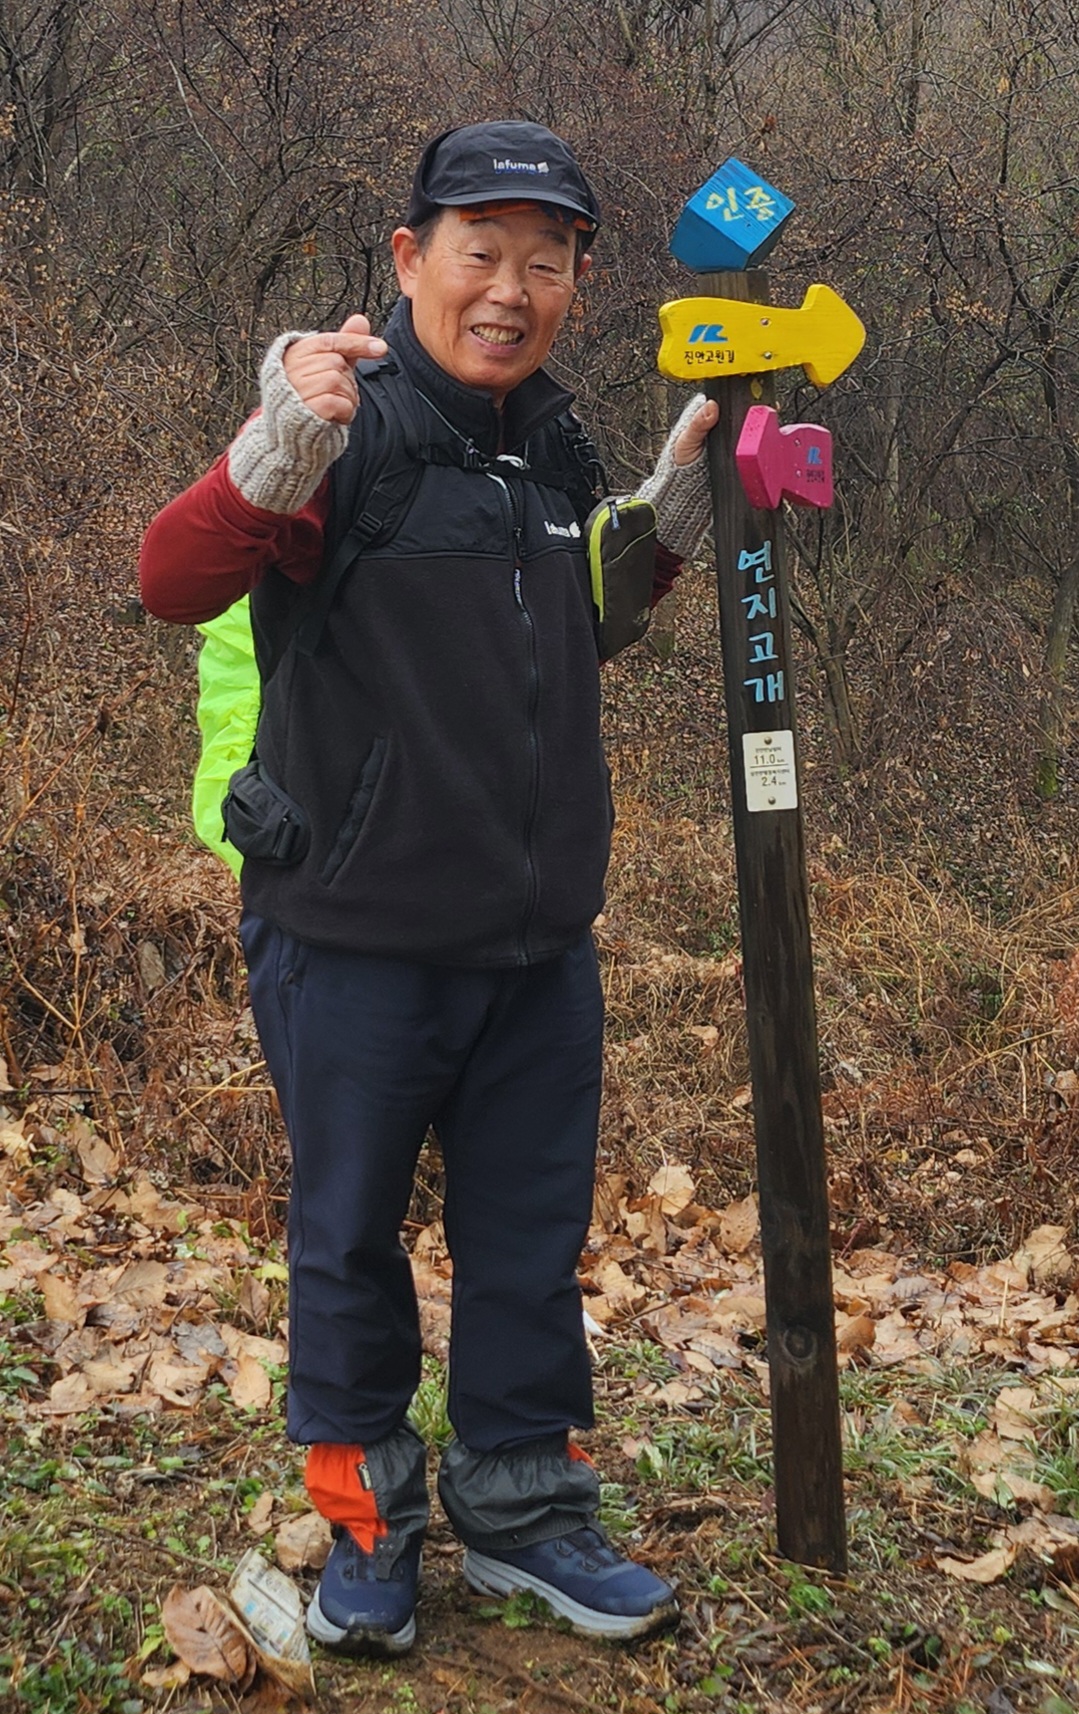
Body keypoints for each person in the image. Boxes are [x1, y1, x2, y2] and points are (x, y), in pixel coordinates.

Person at [140, 120, 717, 1656]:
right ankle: (366, 1525)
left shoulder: (554, 449)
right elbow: (171, 577)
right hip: (354, 935)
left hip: (537, 945)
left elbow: (580, 625)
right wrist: (270, 448)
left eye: (547, 261)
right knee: (348, 1239)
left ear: (577, 282)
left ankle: (525, 1513)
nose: (511, 288)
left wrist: (667, 518)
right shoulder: (346, 429)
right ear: (411, 260)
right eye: (481, 252)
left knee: (528, 1240)